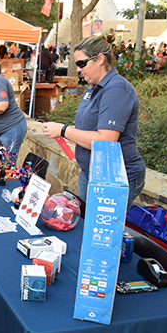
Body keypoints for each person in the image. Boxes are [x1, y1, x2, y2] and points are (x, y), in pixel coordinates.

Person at [41, 31, 146, 211]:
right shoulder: (93, 87)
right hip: (92, 172)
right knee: (85, 227)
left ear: (100, 59)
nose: (79, 69)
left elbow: (105, 139)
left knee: (99, 234)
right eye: (77, 64)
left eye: (82, 63)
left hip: (114, 177)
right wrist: (60, 129)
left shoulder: (117, 89)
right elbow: (88, 128)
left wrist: (64, 130)